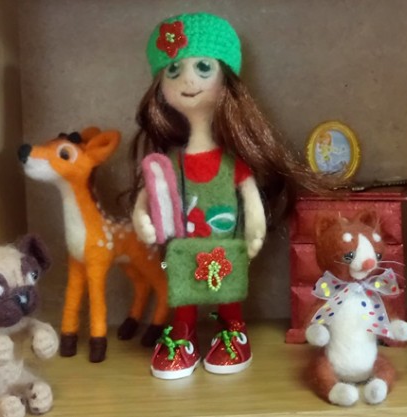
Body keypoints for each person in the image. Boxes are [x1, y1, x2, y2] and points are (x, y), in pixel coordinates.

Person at [129, 12, 329, 379]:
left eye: (203, 67)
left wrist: (255, 229)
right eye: (173, 69)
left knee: (229, 290)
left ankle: (233, 330)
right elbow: (149, 194)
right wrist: (142, 218)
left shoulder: (232, 162)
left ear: (226, 79)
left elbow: (250, 198)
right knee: (182, 289)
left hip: (227, 247)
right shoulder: (170, 161)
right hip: (183, 248)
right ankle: (183, 332)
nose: (188, 79)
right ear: (160, 85)